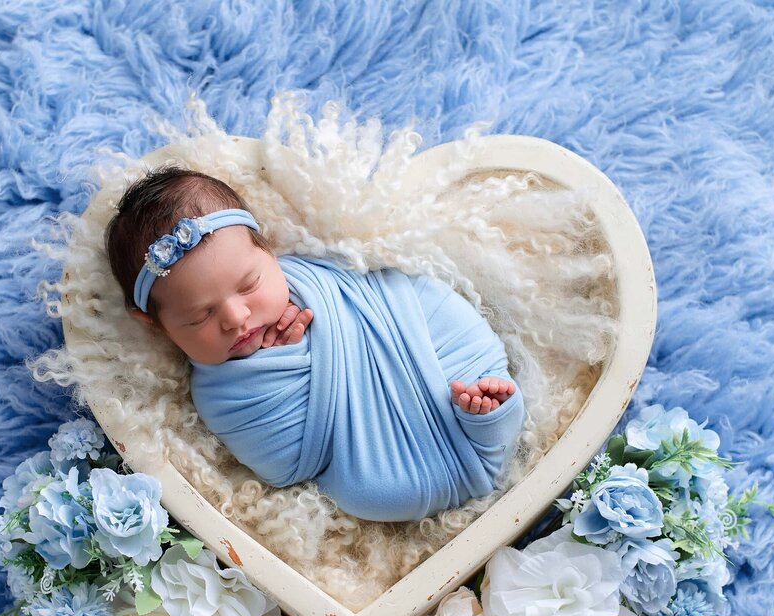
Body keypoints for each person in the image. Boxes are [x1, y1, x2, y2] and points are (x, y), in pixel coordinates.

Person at [104, 166, 524, 521]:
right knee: (370, 491)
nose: (235, 317)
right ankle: (485, 422)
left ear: (267, 250)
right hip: (385, 471)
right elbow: (283, 467)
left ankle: (487, 412)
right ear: (157, 326)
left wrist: (325, 323)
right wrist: (283, 361)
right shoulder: (218, 394)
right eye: (200, 316)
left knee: (421, 299)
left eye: (250, 284)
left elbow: (377, 285)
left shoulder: (316, 274)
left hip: (415, 341)